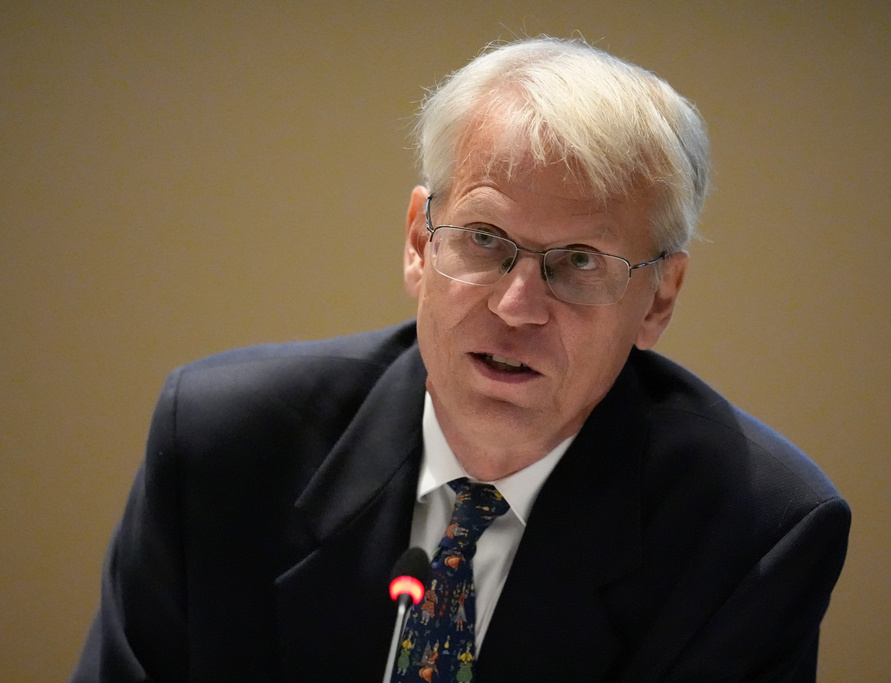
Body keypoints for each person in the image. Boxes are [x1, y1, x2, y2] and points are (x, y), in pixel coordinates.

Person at [72, 37, 850, 682]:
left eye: (579, 261)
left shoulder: (751, 533)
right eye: (484, 240)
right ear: (419, 241)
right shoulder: (222, 444)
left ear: (657, 298)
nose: (517, 306)